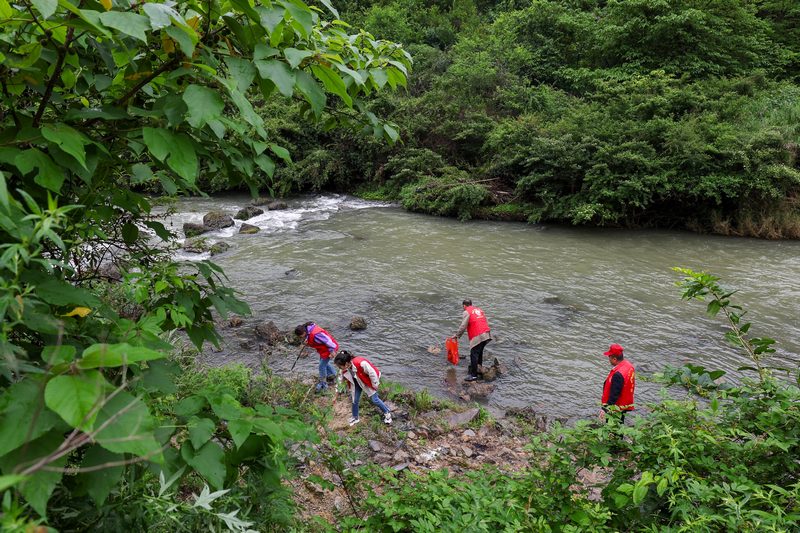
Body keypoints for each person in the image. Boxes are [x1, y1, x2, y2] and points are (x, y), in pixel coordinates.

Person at [334, 351, 392, 426]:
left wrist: (375, 384)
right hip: (357, 382)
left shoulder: (360, 363)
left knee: (375, 399)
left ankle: (387, 413)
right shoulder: (343, 369)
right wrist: (336, 395)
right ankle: (355, 417)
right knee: (355, 400)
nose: (339, 368)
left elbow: (372, 373)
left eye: (339, 366)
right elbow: (339, 382)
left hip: (368, 381)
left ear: (346, 364)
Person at [451, 299, 492, 382]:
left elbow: (463, 326)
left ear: (464, 305)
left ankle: (473, 375)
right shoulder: (479, 310)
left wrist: (456, 335)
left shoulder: (467, 312)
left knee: (473, 353)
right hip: (486, 333)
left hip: (478, 334)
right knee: (479, 352)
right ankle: (479, 368)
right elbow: (485, 321)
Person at [295, 321, 339, 393]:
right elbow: (312, 340)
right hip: (323, 350)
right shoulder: (307, 330)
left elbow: (328, 341)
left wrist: (332, 351)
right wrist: (307, 342)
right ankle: (335, 375)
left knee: (321, 366)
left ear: (303, 333)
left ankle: (324, 384)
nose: (301, 338)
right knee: (325, 364)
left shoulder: (316, 334)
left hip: (329, 349)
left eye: (300, 337)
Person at [599, 343, 635, 423]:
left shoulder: (618, 374)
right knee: (620, 424)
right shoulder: (629, 366)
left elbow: (614, 395)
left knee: (612, 427)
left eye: (609, 357)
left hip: (616, 407)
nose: (609, 359)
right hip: (624, 404)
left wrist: (605, 410)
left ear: (614, 359)